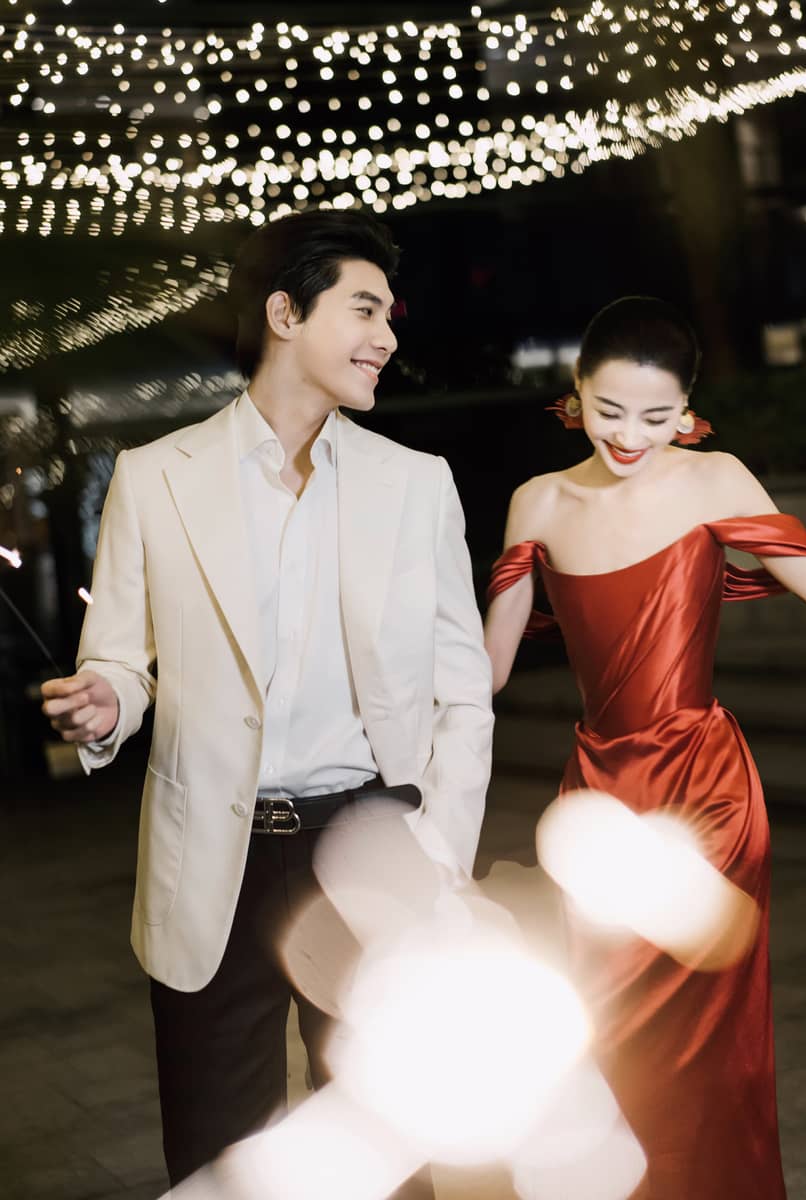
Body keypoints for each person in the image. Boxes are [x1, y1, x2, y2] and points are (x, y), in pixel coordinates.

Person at [40, 208, 494, 1190]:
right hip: (215, 858)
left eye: (389, 315)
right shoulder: (155, 480)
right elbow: (120, 658)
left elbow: (464, 695)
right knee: (219, 1161)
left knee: (390, 1149)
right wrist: (110, 701)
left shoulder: (417, 485)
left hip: (372, 844)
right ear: (286, 314)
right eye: (364, 310)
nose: (387, 337)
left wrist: (438, 846)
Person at [483, 295, 806, 1199]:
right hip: (597, 804)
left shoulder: (717, 480)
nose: (630, 436)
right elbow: (490, 671)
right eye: (610, 410)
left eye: (656, 417)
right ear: (575, 392)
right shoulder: (536, 501)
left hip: (708, 799)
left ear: (687, 413)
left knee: (713, 1062)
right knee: (606, 1044)